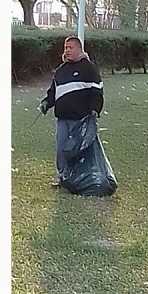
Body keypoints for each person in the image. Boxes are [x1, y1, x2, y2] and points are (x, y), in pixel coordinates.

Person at [39, 36, 104, 185]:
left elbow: (97, 91)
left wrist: (95, 109)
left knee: (80, 149)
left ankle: (83, 177)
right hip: (63, 119)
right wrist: (46, 103)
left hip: (82, 119)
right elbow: (53, 92)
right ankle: (62, 176)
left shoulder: (89, 68)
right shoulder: (61, 71)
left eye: (70, 48)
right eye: (65, 48)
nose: (67, 51)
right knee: (62, 148)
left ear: (79, 49)